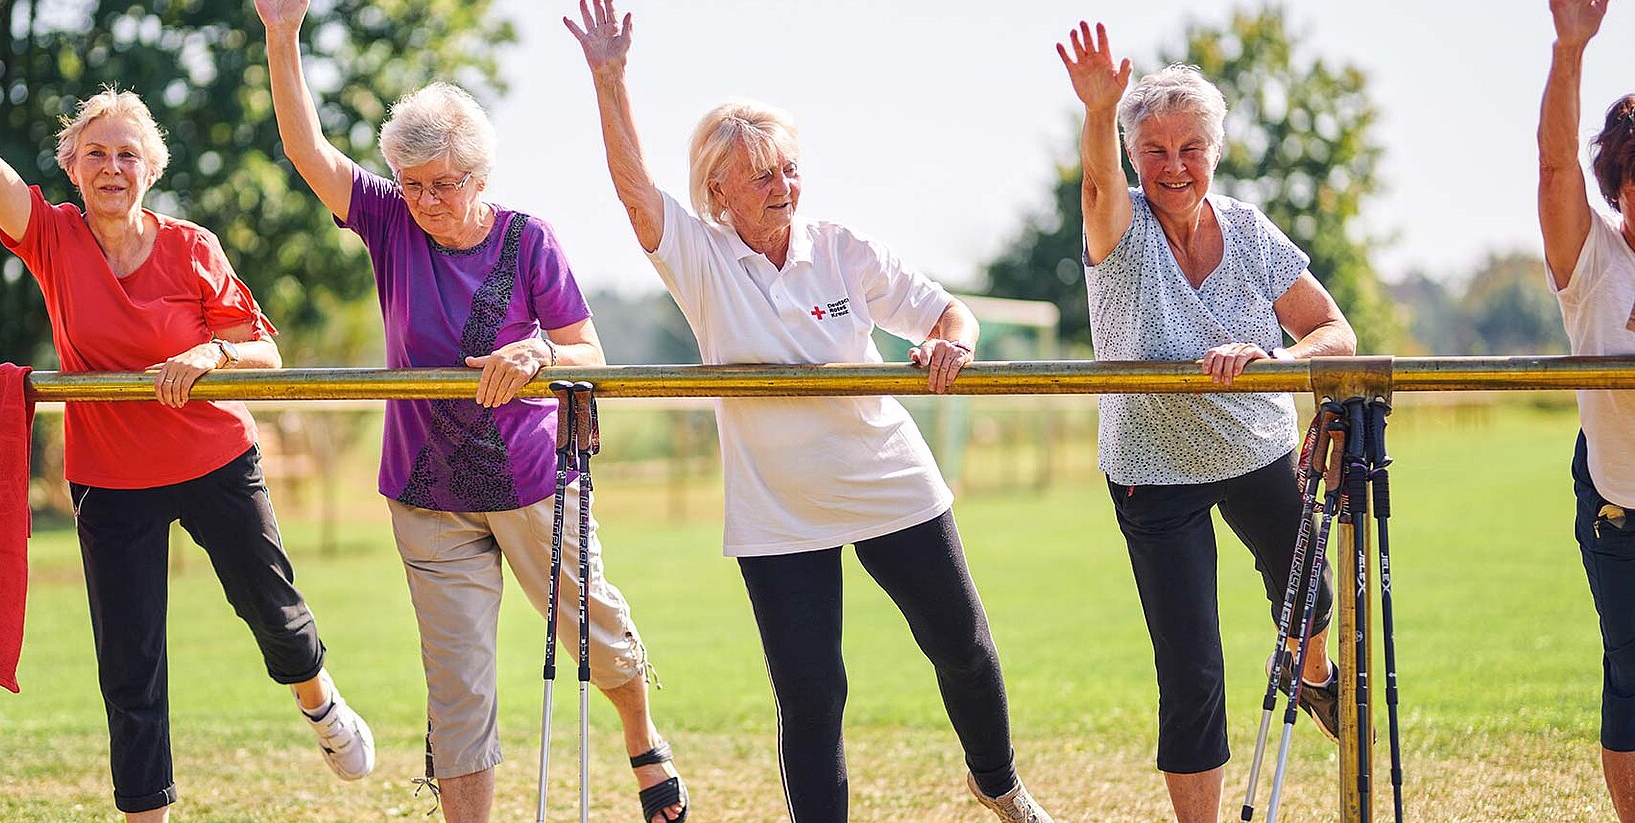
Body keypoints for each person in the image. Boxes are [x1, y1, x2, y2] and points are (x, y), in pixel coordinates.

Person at [566, 3, 1053, 821]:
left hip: (884, 473)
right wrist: (609, 78)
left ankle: (999, 784)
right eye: (762, 175)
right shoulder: (701, 259)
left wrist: (953, 343)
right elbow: (634, 192)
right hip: (779, 504)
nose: (783, 187)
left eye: (790, 169)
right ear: (719, 190)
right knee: (813, 692)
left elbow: (948, 313)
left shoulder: (839, 246)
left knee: (963, 646)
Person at [0, 1, 371, 819]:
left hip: (213, 458)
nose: (111, 166)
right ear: (73, 169)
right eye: (95, 154)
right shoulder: (51, 238)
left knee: (275, 615)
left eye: (126, 154)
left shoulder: (191, 247)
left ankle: (321, 702)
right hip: (111, 478)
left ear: (150, 169)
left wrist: (211, 354)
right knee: (130, 667)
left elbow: (263, 350)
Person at [253, 3, 685, 822]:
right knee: (457, 688)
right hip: (427, 494)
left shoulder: (528, 241)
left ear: (480, 176)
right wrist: (283, 37)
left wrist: (539, 354)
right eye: (412, 184)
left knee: (594, 630)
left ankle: (641, 736)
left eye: (443, 185)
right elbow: (308, 151)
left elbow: (590, 353)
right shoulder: (389, 221)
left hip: (531, 482)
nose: (425, 200)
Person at [1056, 21, 1359, 823]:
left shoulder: (1249, 230)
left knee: (1311, 596)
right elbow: (1097, 186)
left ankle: (1313, 674)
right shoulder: (1121, 230)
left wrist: (1276, 358)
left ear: (1215, 152)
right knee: (1191, 671)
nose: (1173, 165)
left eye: (1191, 147)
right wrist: (1099, 110)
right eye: (1153, 149)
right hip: (1153, 469)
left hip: (1257, 445)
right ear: (1132, 157)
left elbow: (1335, 331)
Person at [1536, 1, 1635, 819]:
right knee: (1632, 675)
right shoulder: (1595, 257)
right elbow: (1555, 167)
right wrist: (1570, 49)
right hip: (1619, 502)